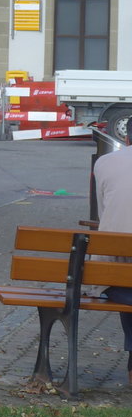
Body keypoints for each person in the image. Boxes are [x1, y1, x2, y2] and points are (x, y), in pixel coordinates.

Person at [94, 142, 132, 385]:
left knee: (125, 279)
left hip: (113, 277)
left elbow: (103, 214)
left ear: (127, 138)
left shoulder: (105, 163)